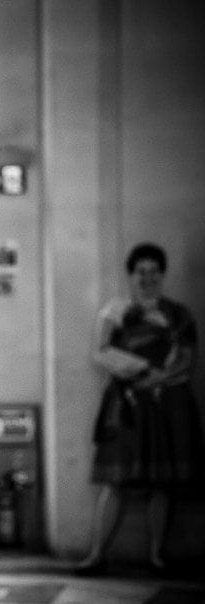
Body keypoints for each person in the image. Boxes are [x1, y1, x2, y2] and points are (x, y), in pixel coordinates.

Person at [76, 243, 203, 575]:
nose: (147, 278)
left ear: (163, 274)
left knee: (162, 480)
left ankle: (157, 556)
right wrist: (141, 371)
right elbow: (100, 351)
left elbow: (188, 357)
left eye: (154, 271)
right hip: (128, 403)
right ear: (130, 276)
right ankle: (97, 555)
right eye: (140, 272)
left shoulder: (179, 315)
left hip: (167, 402)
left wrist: (162, 376)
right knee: (115, 481)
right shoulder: (116, 312)